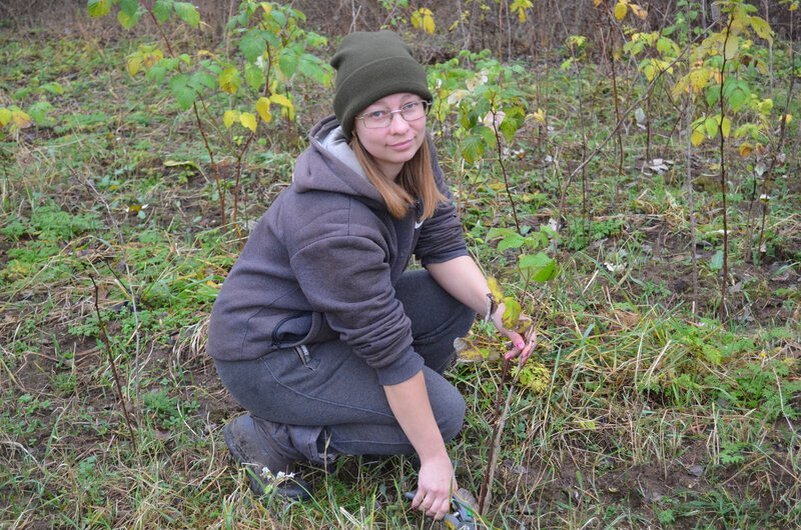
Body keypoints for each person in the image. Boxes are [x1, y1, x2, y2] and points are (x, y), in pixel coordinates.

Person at [207, 30, 535, 521]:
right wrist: (434, 456)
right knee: (445, 417)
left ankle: (377, 406)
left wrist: (497, 310)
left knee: (456, 303)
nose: (400, 126)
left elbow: (442, 245)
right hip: (268, 355)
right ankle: (269, 437)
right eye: (378, 113)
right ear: (353, 125)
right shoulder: (332, 223)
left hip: (323, 326)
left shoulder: (409, 155)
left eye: (410, 106)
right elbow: (385, 347)